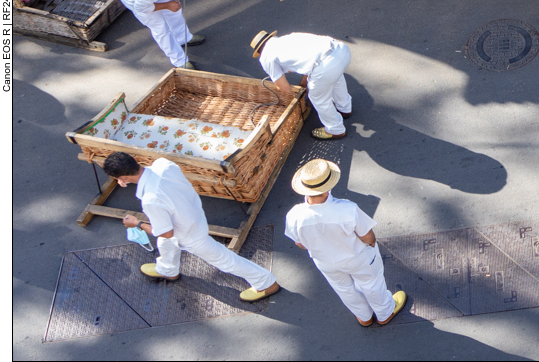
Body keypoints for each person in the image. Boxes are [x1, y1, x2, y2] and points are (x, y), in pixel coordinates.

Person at [104, 151, 280, 301]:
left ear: (123, 178)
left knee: (225, 261)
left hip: (190, 235)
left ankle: (266, 283)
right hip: (194, 214)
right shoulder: (163, 164)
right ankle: (167, 269)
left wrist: (137, 223)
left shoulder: (151, 200)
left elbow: (165, 233)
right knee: (167, 245)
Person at [284, 159, 406, 326]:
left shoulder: (294, 215)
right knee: (372, 284)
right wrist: (371, 244)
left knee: (344, 289)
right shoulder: (347, 209)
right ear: (328, 187)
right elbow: (366, 235)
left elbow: (300, 244)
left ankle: (364, 317)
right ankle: (385, 312)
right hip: (357, 257)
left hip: (325, 262)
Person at [251, 30, 353, 141]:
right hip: (341, 50)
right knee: (336, 78)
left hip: (326, 65)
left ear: (259, 51)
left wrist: (299, 93)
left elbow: (284, 87)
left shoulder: (266, 57)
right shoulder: (288, 38)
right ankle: (344, 108)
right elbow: (310, 60)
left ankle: (335, 130)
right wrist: (307, 82)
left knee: (318, 98)